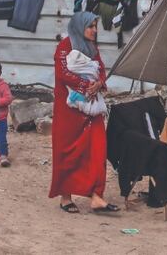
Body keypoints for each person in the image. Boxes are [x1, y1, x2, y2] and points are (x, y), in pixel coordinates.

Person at [49, 12, 119, 214]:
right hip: (69, 110)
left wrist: (99, 83)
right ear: (80, 27)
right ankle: (65, 197)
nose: (95, 30)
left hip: (92, 109)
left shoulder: (92, 48)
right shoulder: (64, 47)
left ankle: (96, 197)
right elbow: (63, 73)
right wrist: (85, 85)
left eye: (96, 26)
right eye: (91, 26)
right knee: (68, 151)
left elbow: (101, 69)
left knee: (97, 149)